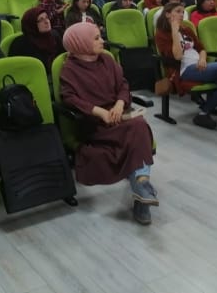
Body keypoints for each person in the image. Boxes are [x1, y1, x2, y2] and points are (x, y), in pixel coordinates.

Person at [60, 22, 157, 225]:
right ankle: (142, 190)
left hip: (118, 115)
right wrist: (101, 112)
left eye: (100, 36)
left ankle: (141, 190)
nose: (102, 41)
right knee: (138, 129)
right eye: (96, 38)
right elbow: (70, 99)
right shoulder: (69, 69)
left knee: (138, 125)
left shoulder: (107, 59)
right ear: (80, 43)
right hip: (95, 124)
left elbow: (123, 85)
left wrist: (120, 104)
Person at [154, 2, 217, 130]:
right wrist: (174, 31)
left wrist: (202, 59)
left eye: (183, 12)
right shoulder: (161, 34)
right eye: (178, 11)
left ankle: (203, 113)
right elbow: (177, 56)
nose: (182, 15)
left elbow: (201, 48)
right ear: (167, 14)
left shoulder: (187, 30)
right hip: (184, 70)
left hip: (200, 66)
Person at [10, 6, 64, 75]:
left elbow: (63, 58)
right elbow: (15, 69)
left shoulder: (55, 35)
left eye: (47, 17)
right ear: (31, 23)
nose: (47, 21)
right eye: (41, 20)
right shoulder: (20, 44)